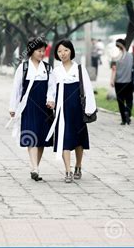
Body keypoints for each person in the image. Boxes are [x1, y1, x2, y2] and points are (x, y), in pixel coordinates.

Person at [46, 39, 96, 183]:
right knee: (63, 139)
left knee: (79, 141)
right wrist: (50, 100)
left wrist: (89, 109)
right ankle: (67, 171)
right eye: (60, 51)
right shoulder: (56, 71)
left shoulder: (79, 69)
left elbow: (88, 90)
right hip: (62, 111)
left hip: (77, 110)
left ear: (71, 51)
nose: (63, 53)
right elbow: (51, 90)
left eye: (66, 50)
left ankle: (78, 166)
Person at [8, 38, 54, 181]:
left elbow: (52, 87)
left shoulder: (47, 68)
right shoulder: (23, 67)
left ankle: (35, 167)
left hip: (44, 108)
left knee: (41, 140)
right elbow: (16, 88)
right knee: (32, 137)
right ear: (31, 51)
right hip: (29, 107)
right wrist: (12, 106)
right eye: (38, 51)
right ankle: (35, 168)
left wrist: (51, 99)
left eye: (43, 51)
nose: (41, 53)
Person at [110, 38, 134, 125]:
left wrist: (112, 81)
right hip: (129, 82)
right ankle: (128, 112)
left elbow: (113, 70)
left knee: (120, 101)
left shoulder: (115, 57)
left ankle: (124, 119)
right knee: (129, 100)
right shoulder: (131, 56)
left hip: (118, 83)